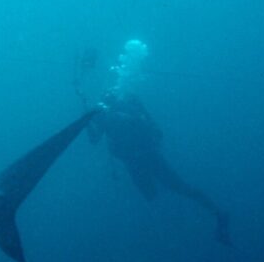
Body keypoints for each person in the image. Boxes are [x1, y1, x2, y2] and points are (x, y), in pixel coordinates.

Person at [83, 40, 232, 245]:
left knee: (173, 188)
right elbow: (94, 138)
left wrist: (107, 114)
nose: (108, 97)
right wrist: (86, 118)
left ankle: (212, 214)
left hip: (145, 156)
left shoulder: (128, 103)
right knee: (156, 194)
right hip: (135, 160)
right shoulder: (103, 113)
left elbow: (153, 129)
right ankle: (178, 229)